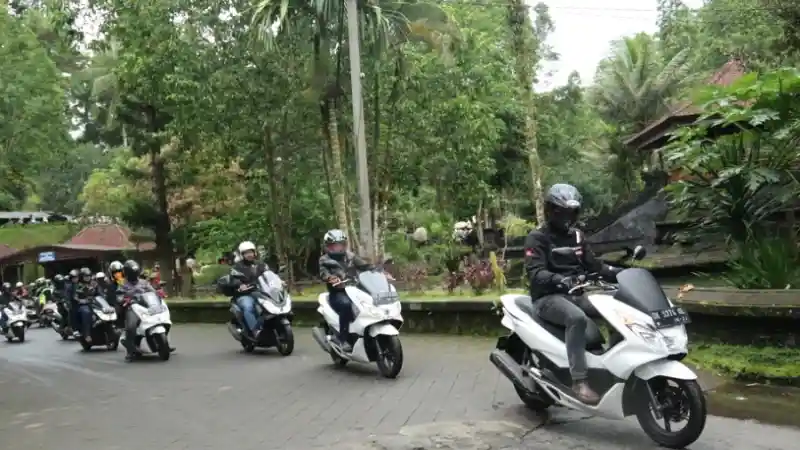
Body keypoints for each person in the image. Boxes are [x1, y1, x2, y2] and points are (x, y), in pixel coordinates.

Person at [524, 183, 621, 405]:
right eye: (561, 212)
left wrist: (620, 272)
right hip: (548, 298)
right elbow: (536, 273)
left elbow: (594, 265)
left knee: (618, 306)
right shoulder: (537, 238)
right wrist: (559, 279)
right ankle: (579, 381)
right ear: (550, 211)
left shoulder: (577, 236)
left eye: (571, 212)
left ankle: (616, 366)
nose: (566, 217)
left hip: (578, 293)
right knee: (576, 318)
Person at [318, 229, 392, 353]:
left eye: (340, 244)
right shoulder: (324, 260)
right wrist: (331, 278)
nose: (338, 248)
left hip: (355, 290)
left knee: (370, 302)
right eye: (335, 245)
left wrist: (381, 272)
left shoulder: (351, 257)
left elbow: (366, 266)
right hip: (338, 292)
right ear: (328, 246)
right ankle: (343, 340)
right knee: (346, 306)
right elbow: (323, 273)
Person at [118, 260, 174, 361]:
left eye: (135, 273)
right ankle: (130, 351)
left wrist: (158, 293)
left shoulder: (144, 282)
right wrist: (124, 299)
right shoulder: (123, 284)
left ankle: (164, 344)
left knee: (162, 319)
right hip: (133, 307)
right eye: (132, 273)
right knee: (131, 327)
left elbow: (152, 291)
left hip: (147, 306)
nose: (134, 275)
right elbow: (119, 296)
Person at [225, 241, 268, 340]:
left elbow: (269, 274)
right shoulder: (237, 267)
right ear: (242, 254)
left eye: (251, 252)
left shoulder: (261, 265)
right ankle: (255, 331)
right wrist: (240, 285)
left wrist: (279, 281)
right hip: (244, 294)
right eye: (246, 253)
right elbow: (233, 279)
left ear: (254, 252)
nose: (249, 255)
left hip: (260, 292)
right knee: (248, 307)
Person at [74, 267, 96, 342]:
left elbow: (100, 293)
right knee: (86, 312)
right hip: (83, 305)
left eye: (89, 276)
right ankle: (87, 334)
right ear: (81, 277)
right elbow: (75, 297)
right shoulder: (78, 286)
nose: (87, 277)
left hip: (94, 303)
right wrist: (81, 300)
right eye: (85, 276)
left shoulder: (94, 284)